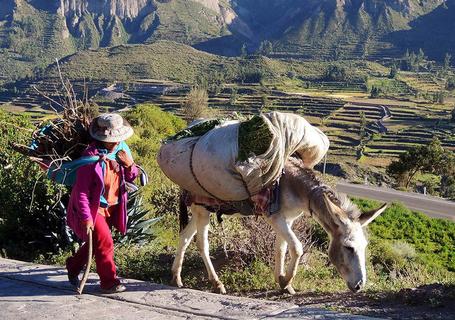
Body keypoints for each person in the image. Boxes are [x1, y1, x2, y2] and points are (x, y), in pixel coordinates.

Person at [65, 113, 138, 293]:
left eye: (117, 138)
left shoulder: (122, 150)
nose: (115, 142)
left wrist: (130, 166)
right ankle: (109, 282)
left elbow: (131, 178)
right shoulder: (90, 157)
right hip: (93, 208)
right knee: (105, 242)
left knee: (96, 242)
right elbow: (81, 191)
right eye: (111, 139)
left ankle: (73, 265)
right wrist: (86, 217)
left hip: (113, 207)